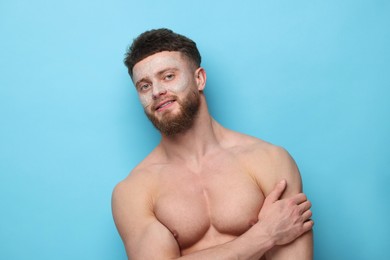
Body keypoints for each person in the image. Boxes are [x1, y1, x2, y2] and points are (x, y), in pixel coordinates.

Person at [112, 28, 313, 259]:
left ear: (199, 79)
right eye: (144, 86)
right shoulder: (134, 191)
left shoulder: (268, 160)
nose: (157, 91)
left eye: (168, 76)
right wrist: (263, 235)